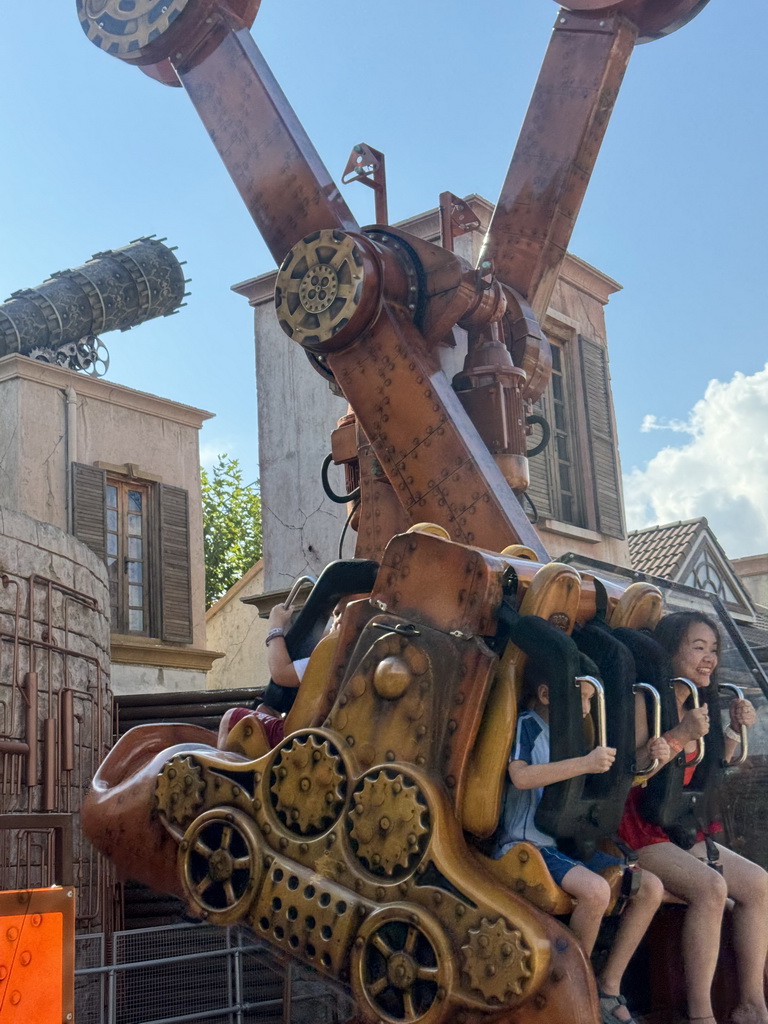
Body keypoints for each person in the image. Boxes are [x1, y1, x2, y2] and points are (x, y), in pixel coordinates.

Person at [618, 611, 768, 1024]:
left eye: (713, 650)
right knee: (711, 888)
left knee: (757, 884)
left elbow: (709, 768)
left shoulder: (700, 702)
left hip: (679, 825)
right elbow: (630, 771)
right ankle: (700, 1014)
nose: (709, 659)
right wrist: (681, 733)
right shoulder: (644, 700)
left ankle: (752, 1004)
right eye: (697, 647)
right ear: (671, 651)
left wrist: (736, 729)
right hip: (637, 826)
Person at [493, 666, 666, 1024]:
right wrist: (584, 763)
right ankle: (572, 988)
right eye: (582, 699)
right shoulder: (528, 725)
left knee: (649, 887)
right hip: (526, 845)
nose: (586, 709)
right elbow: (521, 775)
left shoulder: (572, 736)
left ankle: (607, 986)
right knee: (596, 891)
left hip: (564, 846)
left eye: (590, 701)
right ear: (545, 695)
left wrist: (651, 761)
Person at [217, 597, 350, 750]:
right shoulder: (365, 648)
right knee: (263, 712)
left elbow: (280, 673)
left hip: (301, 739)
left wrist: (275, 626)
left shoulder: (330, 655)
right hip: (337, 735)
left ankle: (218, 772)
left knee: (231, 717)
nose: (335, 622)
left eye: (339, 614)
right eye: (334, 615)